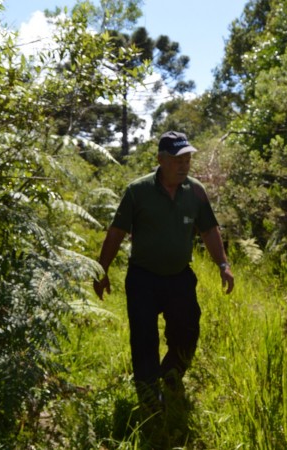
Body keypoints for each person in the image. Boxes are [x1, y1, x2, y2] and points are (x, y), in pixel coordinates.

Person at [93, 130, 234, 414]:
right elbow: (116, 232)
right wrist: (102, 269)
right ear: (160, 159)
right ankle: (148, 396)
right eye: (177, 160)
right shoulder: (138, 191)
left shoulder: (195, 192)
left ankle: (170, 375)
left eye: (188, 159)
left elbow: (209, 229)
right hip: (143, 277)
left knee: (187, 332)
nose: (184, 165)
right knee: (144, 338)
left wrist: (223, 264)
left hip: (179, 277)